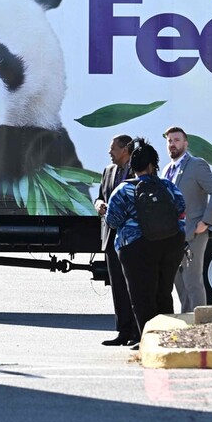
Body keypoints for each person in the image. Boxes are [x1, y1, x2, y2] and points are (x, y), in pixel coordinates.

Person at [105, 137, 186, 349]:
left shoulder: (123, 190)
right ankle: (168, 337)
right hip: (170, 245)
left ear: (133, 166)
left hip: (135, 248)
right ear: (153, 165)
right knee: (164, 292)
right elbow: (180, 209)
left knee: (141, 296)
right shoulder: (169, 187)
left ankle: (147, 340)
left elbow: (112, 220)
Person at [162, 126, 212, 313]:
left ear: (185, 143)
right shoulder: (167, 169)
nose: (173, 144)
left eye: (176, 140)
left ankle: (200, 325)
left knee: (193, 282)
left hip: (194, 233)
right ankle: (187, 319)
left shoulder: (196, 164)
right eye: (169, 141)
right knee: (178, 283)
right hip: (173, 235)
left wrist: (206, 222)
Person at [94, 134, 138, 346]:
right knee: (118, 287)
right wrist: (99, 205)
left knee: (135, 287)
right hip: (111, 237)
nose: (109, 152)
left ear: (125, 150)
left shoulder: (138, 169)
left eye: (113, 148)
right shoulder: (108, 171)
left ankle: (138, 333)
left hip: (132, 239)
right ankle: (122, 332)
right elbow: (100, 195)